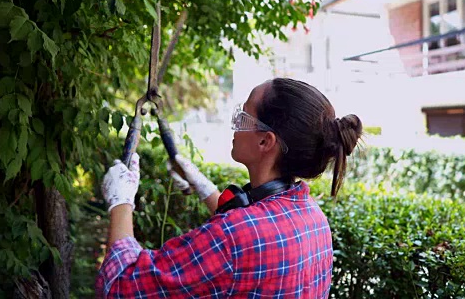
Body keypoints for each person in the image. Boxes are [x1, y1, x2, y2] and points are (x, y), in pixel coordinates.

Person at [97, 78, 363, 298]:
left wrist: (121, 201)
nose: (235, 124)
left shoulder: (233, 236)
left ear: (265, 142)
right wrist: (203, 187)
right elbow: (253, 242)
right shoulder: (314, 219)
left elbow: (121, 287)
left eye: (244, 116)